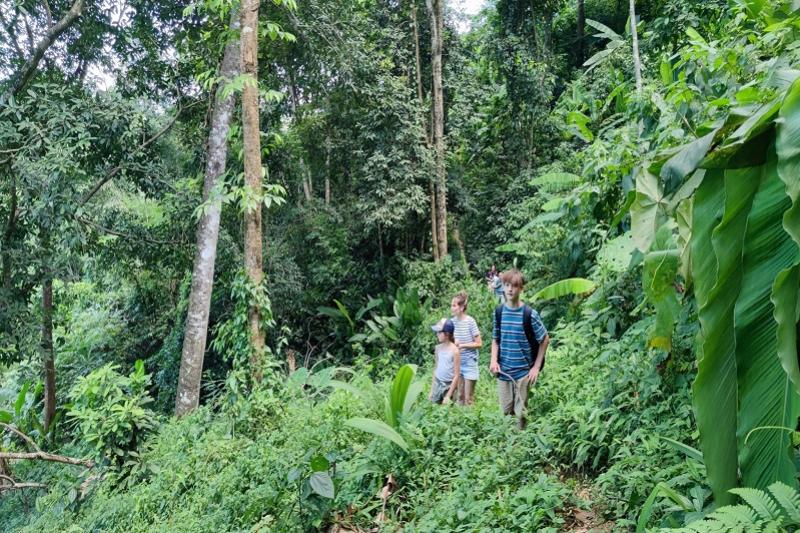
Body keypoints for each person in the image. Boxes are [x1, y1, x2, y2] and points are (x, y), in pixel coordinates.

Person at [489, 269, 550, 429]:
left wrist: (536, 367)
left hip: (523, 372)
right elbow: (495, 339)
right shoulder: (499, 312)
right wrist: (493, 360)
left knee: (520, 414)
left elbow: (544, 339)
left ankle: (520, 441)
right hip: (503, 371)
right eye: (507, 285)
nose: (510, 289)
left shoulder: (529, 314)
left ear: (521, 288)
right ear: (503, 287)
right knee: (505, 411)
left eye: (514, 286)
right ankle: (508, 440)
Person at [450, 291, 482, 406]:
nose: (451, 308)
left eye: (454, 305)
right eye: (451, 305)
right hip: (457, 364)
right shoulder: (451, 322)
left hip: (469, 363)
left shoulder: (470, 321)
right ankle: (460, 417)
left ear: (462, 307)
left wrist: (462, 345)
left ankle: (471, 417)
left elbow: (479, 343)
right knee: (460, 397)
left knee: (469, 399)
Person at [428, 318, 461, 405]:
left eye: (439, 332)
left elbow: (457, 375)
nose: (437, 334)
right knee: (434, 408)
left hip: (449, 385)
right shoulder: (437, 348)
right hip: (437, 383)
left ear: (447, 334)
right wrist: (431, 390)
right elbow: (436, 368)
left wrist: (448, 395)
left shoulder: (455, 351)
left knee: (446, 409)